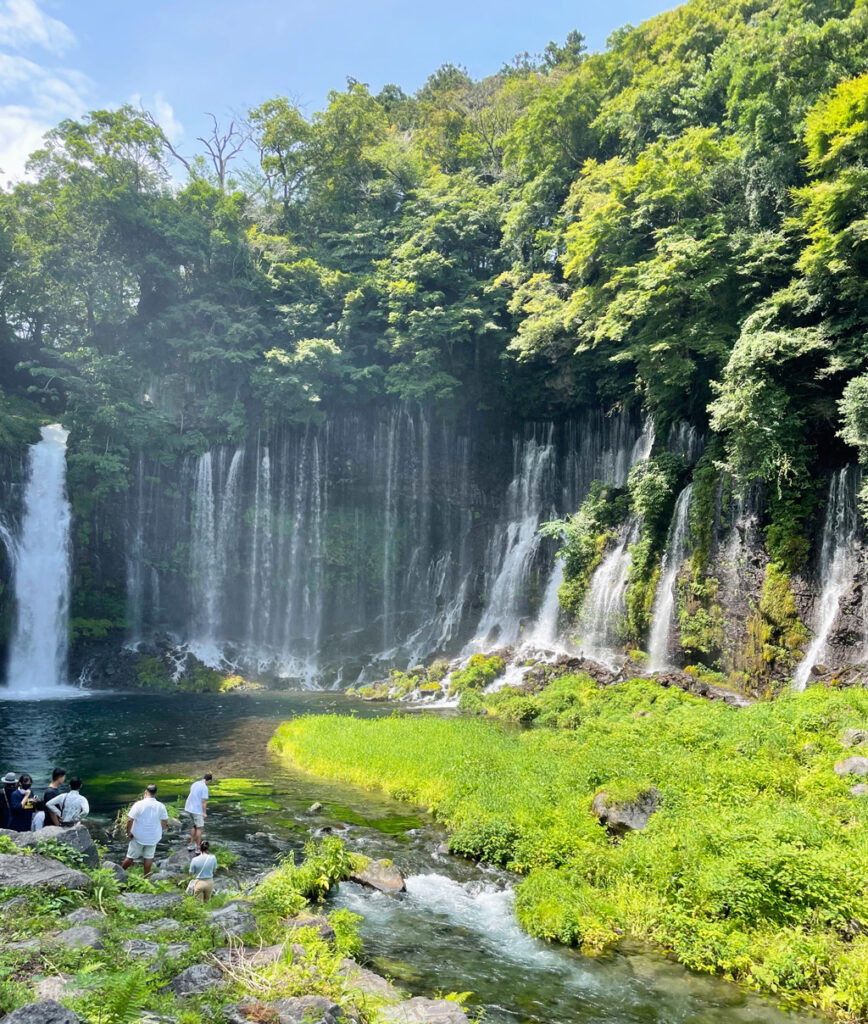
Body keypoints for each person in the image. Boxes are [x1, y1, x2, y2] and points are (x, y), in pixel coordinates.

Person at [122, 783, 168, 878]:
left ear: (146, 792)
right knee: (149, 857)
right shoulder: (161, 806)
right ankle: (146, 878)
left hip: (139, 835)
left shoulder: (139, 804)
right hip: (153, 837)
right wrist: (162, 829)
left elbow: (130, 820)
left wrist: (128, 832)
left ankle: (119, 873)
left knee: (130, 857)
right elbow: (164, 821)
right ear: (156, 793)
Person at [184, 772, 212, 852]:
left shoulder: (195, 783)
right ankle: (198, 847)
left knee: (194, 826)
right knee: (199, 828)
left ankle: (191, 844)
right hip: (197, 810)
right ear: (208, 780)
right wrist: (204, 813)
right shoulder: (204, 787)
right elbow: (203, 801)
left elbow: (191, 795)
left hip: (189, 808)